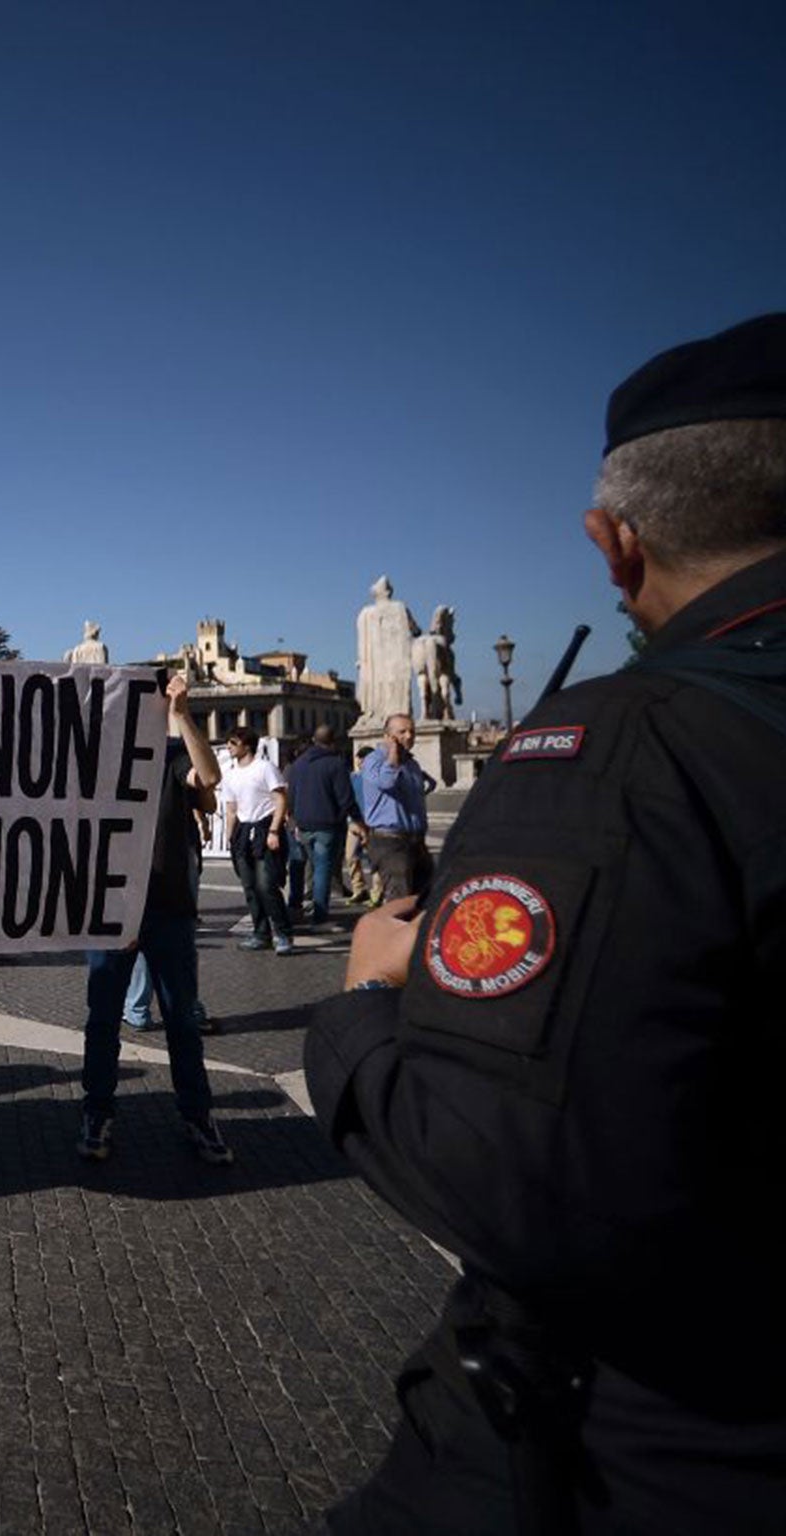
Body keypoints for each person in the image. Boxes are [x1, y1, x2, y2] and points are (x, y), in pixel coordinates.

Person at [305, 312, 786, 1532]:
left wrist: (359, 1015)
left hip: (661, 1442)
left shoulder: (616, 751)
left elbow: (506, 1173)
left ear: (613, 544)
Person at [80, 673, 233, 1166]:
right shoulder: (92, 763)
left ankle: (198, 1114)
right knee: (103, 1022)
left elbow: (209, 779)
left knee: (182, 1022)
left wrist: (183, 714)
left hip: (167, 908)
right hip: (109, 911)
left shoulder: (171, 757)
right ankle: (97, 1112)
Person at [220, 727, 293, 954]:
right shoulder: (230, 774)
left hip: (264, 827)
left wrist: (274, 831)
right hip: (243, 831)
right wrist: (230, 837)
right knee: (249, 886)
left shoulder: (264, 768)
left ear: (246, 745)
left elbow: (280, 799)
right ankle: (261, 933)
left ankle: (283, 934)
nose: (229, 747)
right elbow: (231, 808)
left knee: (266, 885)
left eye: (233, 742)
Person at [287, 724, 363, 924]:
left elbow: (291, 796)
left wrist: (294, 819)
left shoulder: (298, 764)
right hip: (328, 825)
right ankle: (319, 915)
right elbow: (345, 798)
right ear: (332, 742)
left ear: (314, 740)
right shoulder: (335, 764)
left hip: (303, 825)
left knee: (311, 866)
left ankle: (299, 906)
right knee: (322, 869)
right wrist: (358, 819)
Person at [357, 713, 434, 900]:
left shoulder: (412, 763)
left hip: (415, 840)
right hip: (390, 841)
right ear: (387, 735)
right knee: (399, 900)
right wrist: (393, 755)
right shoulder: (374, 761)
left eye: (412, 731)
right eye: (402, 732)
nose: (409, 736)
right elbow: (386, 782)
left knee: (427, 895)